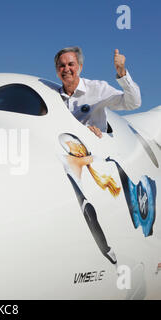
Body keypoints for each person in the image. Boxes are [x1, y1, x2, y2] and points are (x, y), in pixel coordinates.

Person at [59, 133, 121, 265]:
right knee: (90, 215)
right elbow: (93, 158)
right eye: (73, 147)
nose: (76, 149)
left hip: (81, 199)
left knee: (90, 215)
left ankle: (107, 251)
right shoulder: (76, 159)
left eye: (75, 146)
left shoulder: (70, 159)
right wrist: (108, 159)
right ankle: (107, 251)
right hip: (81, 199)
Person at [54, 46, 141, 138]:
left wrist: (122, 73)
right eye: (62, 66)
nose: (66, 69)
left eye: (71, 64)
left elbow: (133, 103)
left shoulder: (97, 89)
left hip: (97, 147)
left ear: (80, 67)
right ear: (57, 69)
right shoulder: (52, 95)